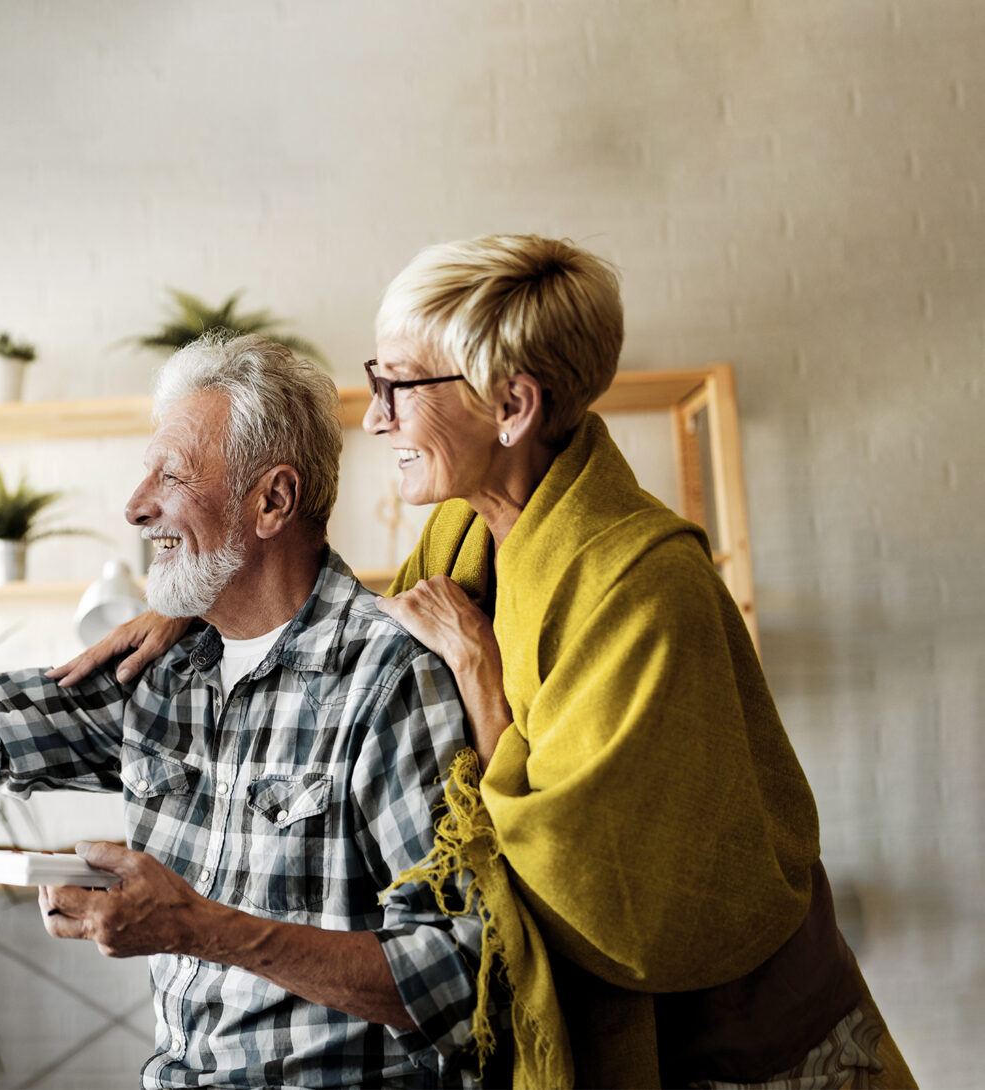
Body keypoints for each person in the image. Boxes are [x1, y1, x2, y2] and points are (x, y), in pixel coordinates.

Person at [52, 236, 916, 1088]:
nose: (376, 413)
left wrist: (480, 676)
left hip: (740, 1040)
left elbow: (610, 886)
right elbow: (370, 619)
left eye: (399, 385)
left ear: (513, 408)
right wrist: (195, 604)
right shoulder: (464, 532)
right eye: (375, 377)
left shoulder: (646, 585)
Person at [0, 333, 494, 1088]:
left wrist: (200, 927)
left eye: (171, 475)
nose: (135, 507)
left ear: (272, 501)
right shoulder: (165, 667)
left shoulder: (387, 676)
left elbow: (457, 973)